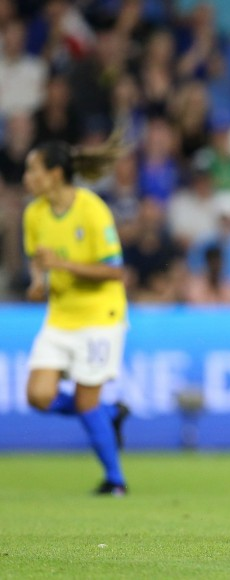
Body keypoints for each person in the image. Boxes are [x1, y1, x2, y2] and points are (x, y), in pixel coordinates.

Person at [22, 138, 130, 496]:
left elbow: (115, 271)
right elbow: (39, 262)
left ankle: (115, 480)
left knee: (86, 401)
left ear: (54, 174)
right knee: (38, 396)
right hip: (60, 317)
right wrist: (39, 283)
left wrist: (61, 265)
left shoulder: (91, 209)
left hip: (101, 317)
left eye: (33, 170)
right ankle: (109, 414)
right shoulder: (34, 213)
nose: (27, 177)